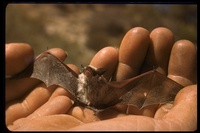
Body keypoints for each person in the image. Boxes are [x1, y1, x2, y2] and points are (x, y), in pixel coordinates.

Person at [5, 27, 197, 131]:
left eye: (95, 74)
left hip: (106, 103)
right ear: (84, 74)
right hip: (81, 101)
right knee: (48, 58)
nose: (90, 75)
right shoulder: (76, 80)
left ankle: (172, 93)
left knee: (151, 77)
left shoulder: (112, 87)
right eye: (88, 72)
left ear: (100, 77)